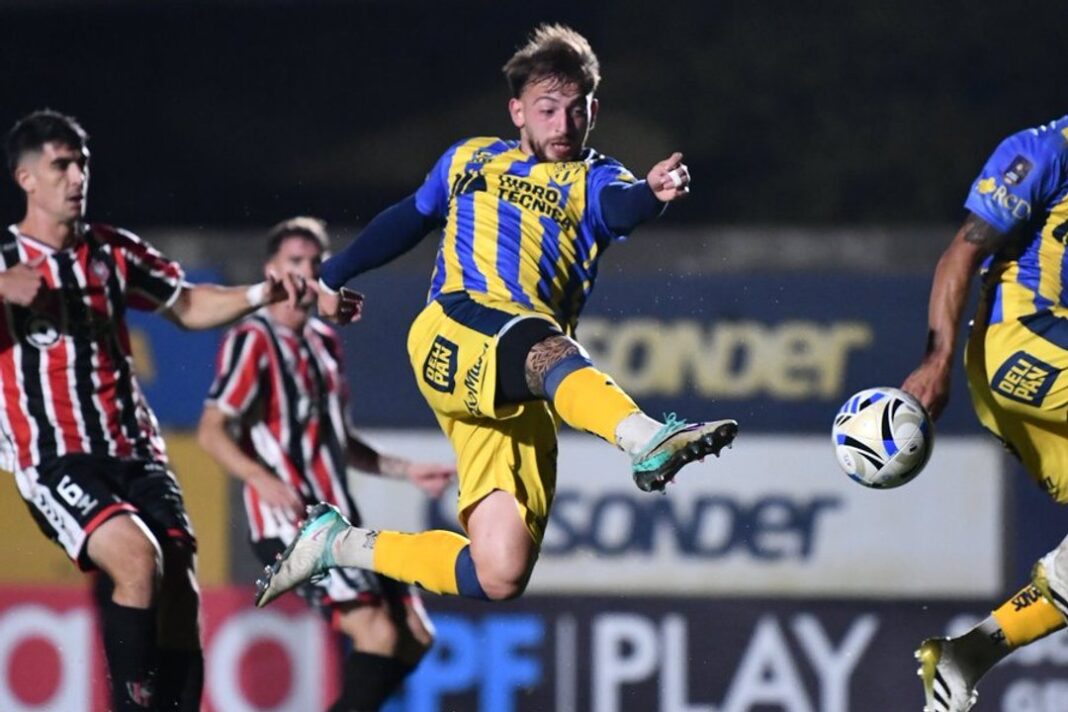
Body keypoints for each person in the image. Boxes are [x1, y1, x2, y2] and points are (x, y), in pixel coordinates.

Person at [254, 23, 737, 610]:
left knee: (499, 572)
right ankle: (645, 439)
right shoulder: (469, 159)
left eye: (576, 110)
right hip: (456, 328)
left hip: (521, 377)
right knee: (548, 349)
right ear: (517, 111)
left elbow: (624, 205)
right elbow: (409, 217)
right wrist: (332, 276)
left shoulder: (595, 179)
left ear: (594, 109)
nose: (562, 125)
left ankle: (339, 544)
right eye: (547, 109)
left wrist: (653, 191)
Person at [1, 109, 302, 711]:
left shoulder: (110, 251)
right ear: (26, 178)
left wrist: (259, 294)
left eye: (82, 163)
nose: (77, 176)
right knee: (138, 559)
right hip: (57, 456)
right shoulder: (5, 256)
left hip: (136, 450)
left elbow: (187, 304)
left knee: (179, 591)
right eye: (62, 164)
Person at [197, 216, 455, 712]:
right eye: (295, 262)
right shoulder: (254, 339)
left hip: (340, 517)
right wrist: (261, 479)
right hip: (292, 525)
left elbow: (340, 442)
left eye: (316, 264)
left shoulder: (323, 342)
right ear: (272, 270)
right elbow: (212, 429)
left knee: (416, 635)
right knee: (376, 631)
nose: (305, 274)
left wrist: (407, 470)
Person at [902, 114, 1068, 711]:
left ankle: (968, 654)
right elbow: (960, 254)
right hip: (1020, 347)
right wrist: (936, 358)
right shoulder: (1044, 151)